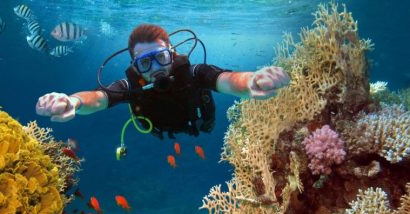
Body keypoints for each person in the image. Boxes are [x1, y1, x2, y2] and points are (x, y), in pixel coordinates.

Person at [36, 24, 290, 141]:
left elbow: (226, 79)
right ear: (135, 66)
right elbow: (100, 98)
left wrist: (252, 81)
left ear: (172, 52)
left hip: (199, 125)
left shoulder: (194, 72)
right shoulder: (131, 86)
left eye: (161, 57)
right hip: (158, 131)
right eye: (145, 63)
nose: (155, 68)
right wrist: (74, 101)